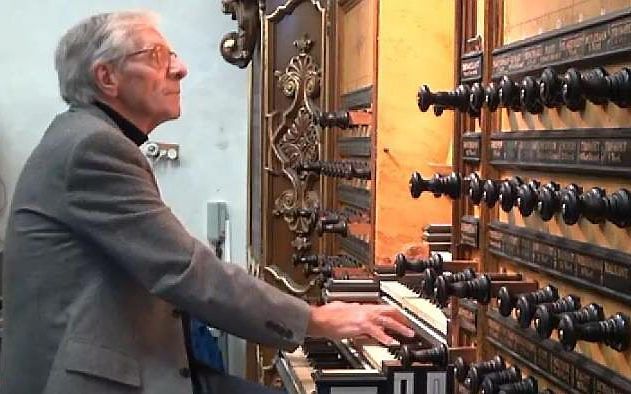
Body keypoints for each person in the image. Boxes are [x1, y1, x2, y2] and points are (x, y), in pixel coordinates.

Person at [0, 10, 415, 394]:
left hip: (138, 364)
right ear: (107, 77)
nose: (180, 69)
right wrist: (318, 320)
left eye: (173, 55)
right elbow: (184, 270)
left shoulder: (88, 137)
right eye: (157, 56)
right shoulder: (92, 147)